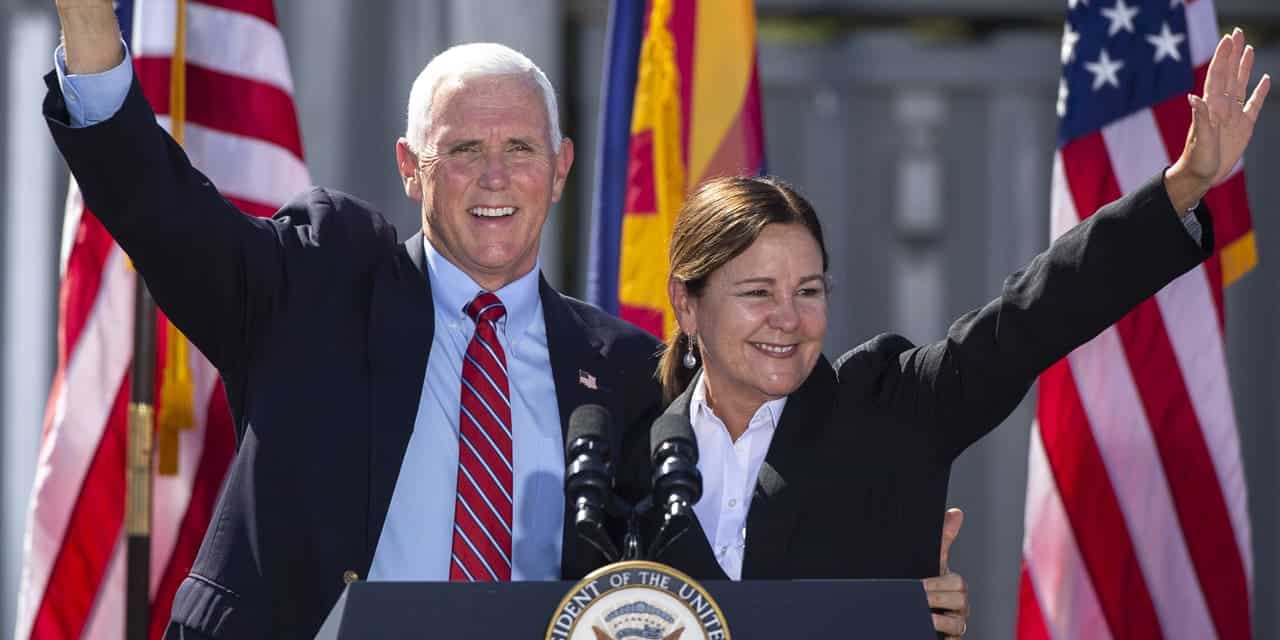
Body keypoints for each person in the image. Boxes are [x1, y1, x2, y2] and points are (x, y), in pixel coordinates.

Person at [44, 1, 973, 637]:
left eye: (521, 148)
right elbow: (161, 212)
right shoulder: (314, 290)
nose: (496, 176)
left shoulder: (625, 367)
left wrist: (887, 592)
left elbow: (714, 556)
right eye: (465, 150)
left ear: (562, 168)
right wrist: (90, 29)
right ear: (411, 167)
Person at [627, 28, 1268, 640]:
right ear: (687, 304)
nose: (789, 319)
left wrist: (1183, 184)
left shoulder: (889, 406)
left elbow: (1034, 314)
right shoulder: (630, 453)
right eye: (757, 293)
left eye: (809, 290)